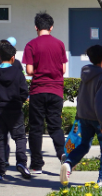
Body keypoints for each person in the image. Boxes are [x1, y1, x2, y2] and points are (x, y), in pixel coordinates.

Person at [22, 12, 68, 175]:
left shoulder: (31, 45)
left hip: (38, 90)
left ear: (36, 27)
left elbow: (29, 70)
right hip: (56, 90)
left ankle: (36, 165)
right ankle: (62, 155)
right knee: (55, 126)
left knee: (36, 128)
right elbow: (63, 69)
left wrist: (39, 70)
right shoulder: (60, 44)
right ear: (51, 27)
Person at [62, 45, 102, 186]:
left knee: (84, 145)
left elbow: (81, 98)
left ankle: (68, 163)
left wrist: (79, 116)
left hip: (84, 118)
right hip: (99, 119)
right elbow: (101, 102)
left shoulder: (85, 75)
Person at [0, 40, 31, 180]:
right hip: (14, 110)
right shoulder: (17, 72)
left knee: (0, 140)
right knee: (20, 137)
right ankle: (21, 162)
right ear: (13, 58)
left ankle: (0, 170)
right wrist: (19, 100)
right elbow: (24, 92)